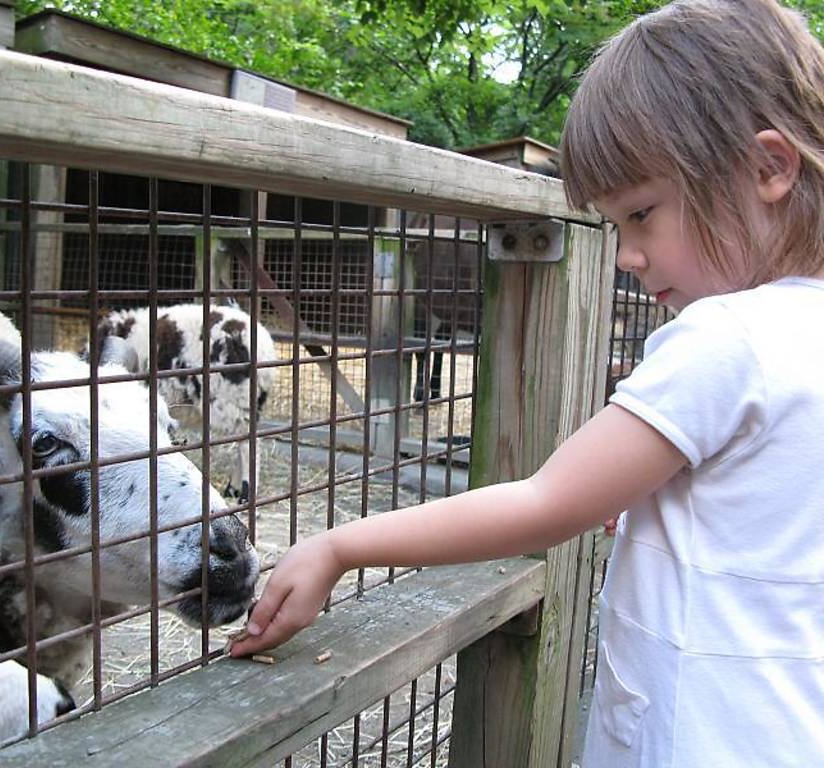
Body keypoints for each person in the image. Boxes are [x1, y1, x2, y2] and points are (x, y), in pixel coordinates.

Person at [230, 0, 824, 763]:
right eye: (615, 227)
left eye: (642, 214)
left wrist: (340, 547)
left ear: (768, 168)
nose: (627, 257)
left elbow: (545, 505)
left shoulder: (726, 337)